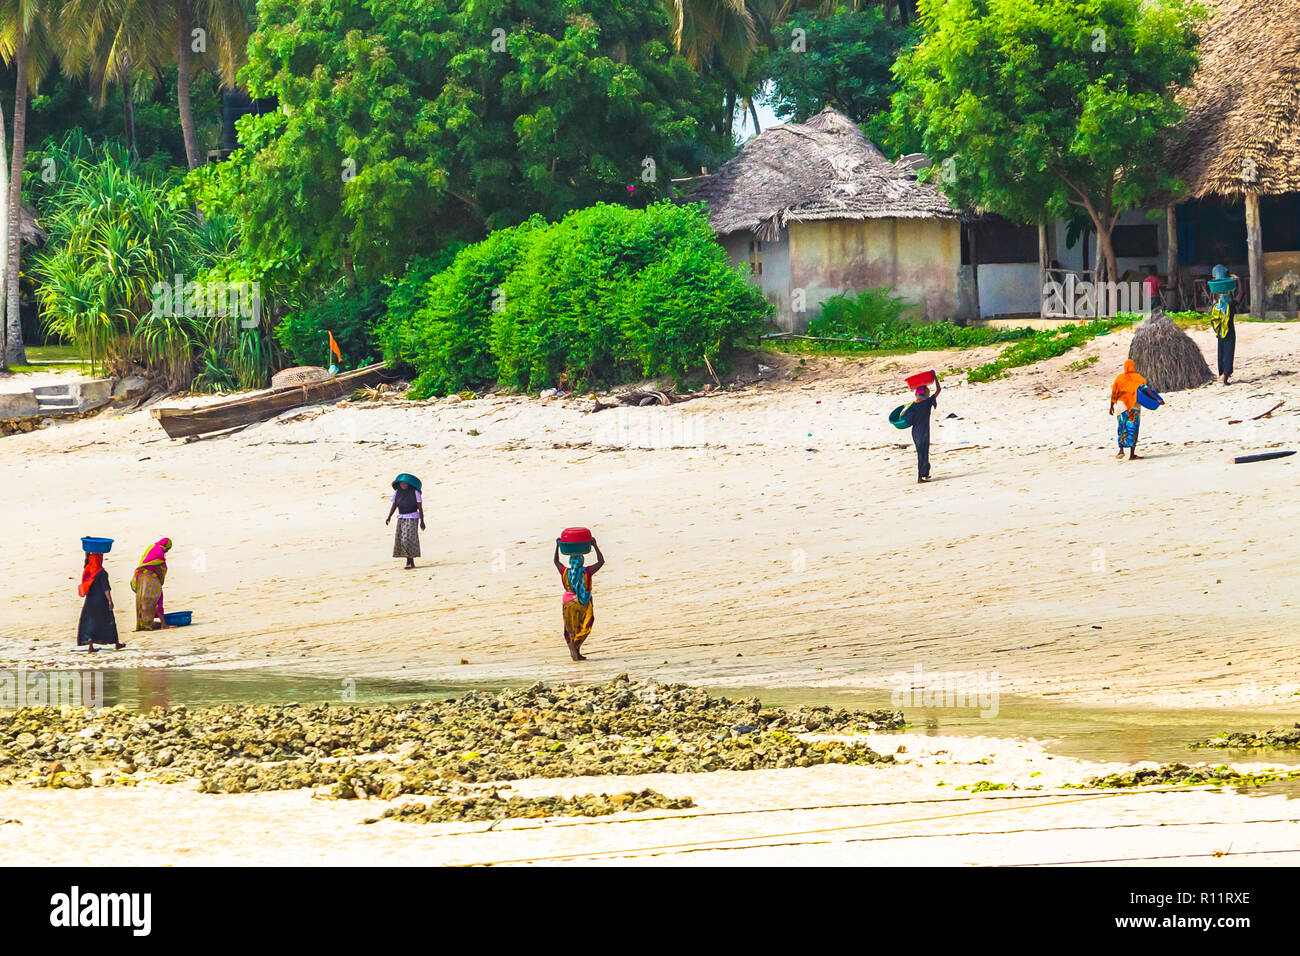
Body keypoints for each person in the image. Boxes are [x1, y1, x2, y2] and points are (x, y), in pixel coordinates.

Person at [552, 536, 605, 661]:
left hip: (567, 601)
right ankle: (575, 646)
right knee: (586, 623)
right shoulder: (586, 571)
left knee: (570, 627)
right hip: (582, 601)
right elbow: (601, 562)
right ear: (581, 561)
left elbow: (556, 562)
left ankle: (575, 650)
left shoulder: (565, 571)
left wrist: (557, 546)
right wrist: (595, 545)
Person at [77, 551, 124, 652]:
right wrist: (110, 601)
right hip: (101, 601)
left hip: (90, 602)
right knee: (109, 621)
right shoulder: (102, 573)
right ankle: (116, 643)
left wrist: (87, 553)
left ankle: (90, 647)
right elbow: (106, 589)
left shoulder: (88, 570)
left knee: (91, 623)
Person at [904, 372, 941, 483]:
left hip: (916, 432)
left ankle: (924, 474)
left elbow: (906, 419)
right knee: (922, 452)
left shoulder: (912, 406)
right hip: (923, 431)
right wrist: (935, 377)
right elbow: (938, 390)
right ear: (926, 393)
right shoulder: (927, 402)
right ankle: (920, 478)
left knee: (923, 451)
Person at [131, 538, 173, 631]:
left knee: (143, 600)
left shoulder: (151, 547)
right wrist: (161, 579)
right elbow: (157, 566)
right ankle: (163, 625)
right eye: (167, 549)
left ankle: (143, 624)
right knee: (158, 598)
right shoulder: (159, 551)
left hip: (141, 576)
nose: (166, 551)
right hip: (150, 577)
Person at [1109, 359, 1148, 460]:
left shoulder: (1119, 378)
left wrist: (1111, 406)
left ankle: (1121, 450)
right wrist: (1157, 399)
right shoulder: (1138, 378)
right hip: (1133, 407)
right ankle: (1132, 455)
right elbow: (1145, 390)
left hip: (1120, 407)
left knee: (1122, 428)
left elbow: (1114, 393)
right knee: (1133, 429)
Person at [386, 474, 425, 569]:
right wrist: (389, 516)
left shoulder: (415, 492)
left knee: (408, 539)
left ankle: (410, 562)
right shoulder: (397, 492)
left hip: (412, 517)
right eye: (401, 484)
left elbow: (420, 508)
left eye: (405, 484)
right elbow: (394, 505)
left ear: (409, 484)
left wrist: (422, 521)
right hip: (401, 518)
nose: (403, 485)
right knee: (402, 540)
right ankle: (409, 561)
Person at [1210, 263, 1239, 384]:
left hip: (1220, 329)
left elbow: (1213, 298)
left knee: (1221, 350)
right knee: (1228, 350)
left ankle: (1222, 374)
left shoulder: (1216, 305)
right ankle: (1225, 375)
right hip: (1229, 329)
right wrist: (1239, 281)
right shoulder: (1230, 304)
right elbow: (1240, 295)